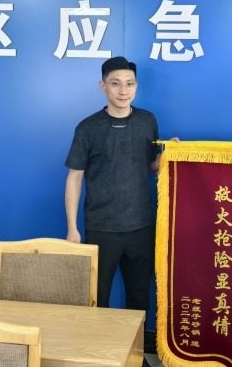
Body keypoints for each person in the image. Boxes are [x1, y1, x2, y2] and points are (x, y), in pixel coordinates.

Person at [64, 56, 162, 309]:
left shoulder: (147, 121)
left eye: (130, 83)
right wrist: (72, 228)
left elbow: (150, 167)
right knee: (97, 298)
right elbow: (74, 177)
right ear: (103, 86)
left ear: (136, 86)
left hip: (141, 226)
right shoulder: (88, 128)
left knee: (139, 297)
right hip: (101, 227)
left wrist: (168, 157)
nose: (123, 90)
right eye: (115, 83)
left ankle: (137, 339)